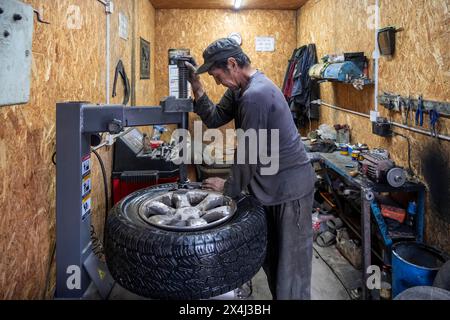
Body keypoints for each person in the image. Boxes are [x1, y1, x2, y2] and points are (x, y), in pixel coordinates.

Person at [185, 38, 316, 300]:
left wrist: (229, 188)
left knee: (290, 275)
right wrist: (196, 86)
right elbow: (214, 119)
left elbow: (249, 154)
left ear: (232, 64)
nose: (217, 81)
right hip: (270, 186)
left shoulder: (256, 95)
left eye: (216, 75)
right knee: (273, 259)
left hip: (290, 191)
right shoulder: (240, 90)